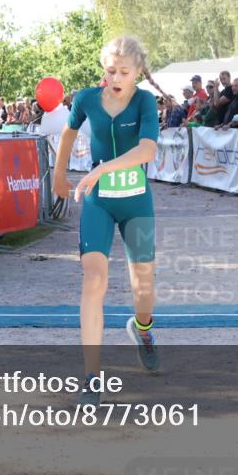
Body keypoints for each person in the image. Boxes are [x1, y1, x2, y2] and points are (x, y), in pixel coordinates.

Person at [53, 36, 165, 405]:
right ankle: (91, 376)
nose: (115, 77)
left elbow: (147, 149)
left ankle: (143, 329)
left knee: (143, 289)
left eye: (124, 72)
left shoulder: (145, 100)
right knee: (93, 281)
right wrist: (58, 173)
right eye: (110, 70)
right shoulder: (87, 98)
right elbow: (68, 132)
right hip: (99, 203)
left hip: (136, 202)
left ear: (137, 73)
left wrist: (101, 170)